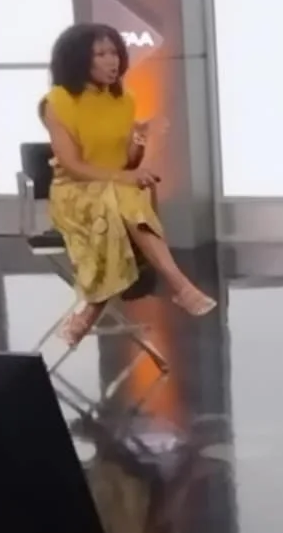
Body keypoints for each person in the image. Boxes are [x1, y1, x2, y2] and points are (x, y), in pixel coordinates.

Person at [42, 22, 216, 347]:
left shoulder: (125, 99)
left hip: (115, 193)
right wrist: (125, 177)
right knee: (122, 198)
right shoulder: (57, 101)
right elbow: (73, 165)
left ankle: (87, 314)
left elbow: (129, 162)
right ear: (79, 59)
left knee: (119, 203)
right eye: (102, 54)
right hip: (74, 192)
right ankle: (179, 285)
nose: (113, 61)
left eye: (116, 53)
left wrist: (142, 135)